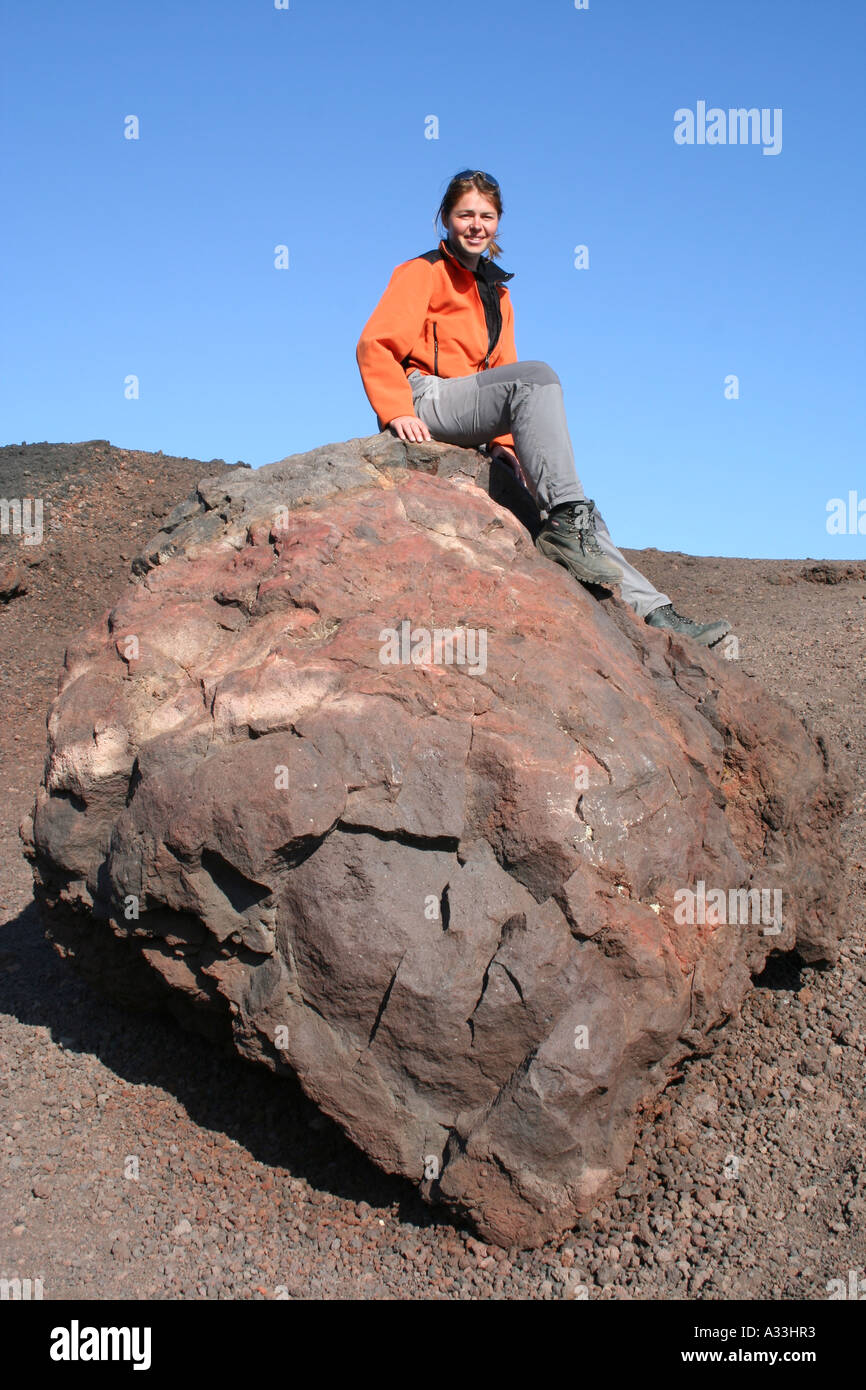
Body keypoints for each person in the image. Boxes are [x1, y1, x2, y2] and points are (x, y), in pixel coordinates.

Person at [355, 169, 730, 646]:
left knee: (579, 516)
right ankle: (566, 523)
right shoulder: (421, 272)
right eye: (465, 214)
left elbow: (501, 371)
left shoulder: (499, 293)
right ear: (446, 219)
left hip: (469, 406)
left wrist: (505, 446)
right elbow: (374, 343)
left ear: (498, 223)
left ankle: (655, 614)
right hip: (426, 395)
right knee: (539, 377)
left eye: (486, 216)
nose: (476, 224)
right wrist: (395, 408)